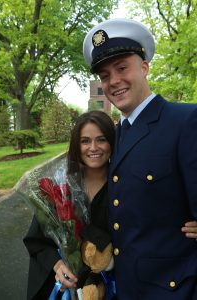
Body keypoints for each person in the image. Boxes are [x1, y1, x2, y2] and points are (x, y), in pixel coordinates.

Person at [83, 18, 197, 299]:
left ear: (144, 67)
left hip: (175, 289)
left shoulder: (184, 120)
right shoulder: (117, 133)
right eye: (105, 75)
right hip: (128, 286)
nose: (114, 81)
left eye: (122, 68)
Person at [23, 110, 115, 300]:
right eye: (85, 141)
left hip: (112, 286)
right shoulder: (61, 189)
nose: (94, 147)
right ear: (76, 145)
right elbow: (37, 241)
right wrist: (57, 265)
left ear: (113, 142)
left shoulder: (123, 188)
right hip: (68, 286)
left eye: (102, 139)